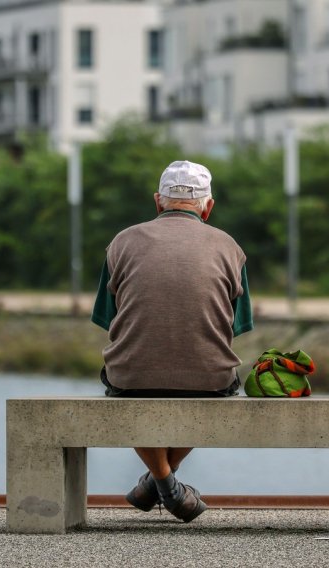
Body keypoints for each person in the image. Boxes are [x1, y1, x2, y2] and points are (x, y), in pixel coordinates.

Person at [91, 160, 254, 523]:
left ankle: (160, 484)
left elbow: (108, 318)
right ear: (208, 207)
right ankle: (166, 485)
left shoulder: (121, 242)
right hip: (209, 381)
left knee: (129, 382)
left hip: (131, 378)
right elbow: (237, 326)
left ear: (157, 201)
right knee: (215, 379)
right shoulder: (230, 247)